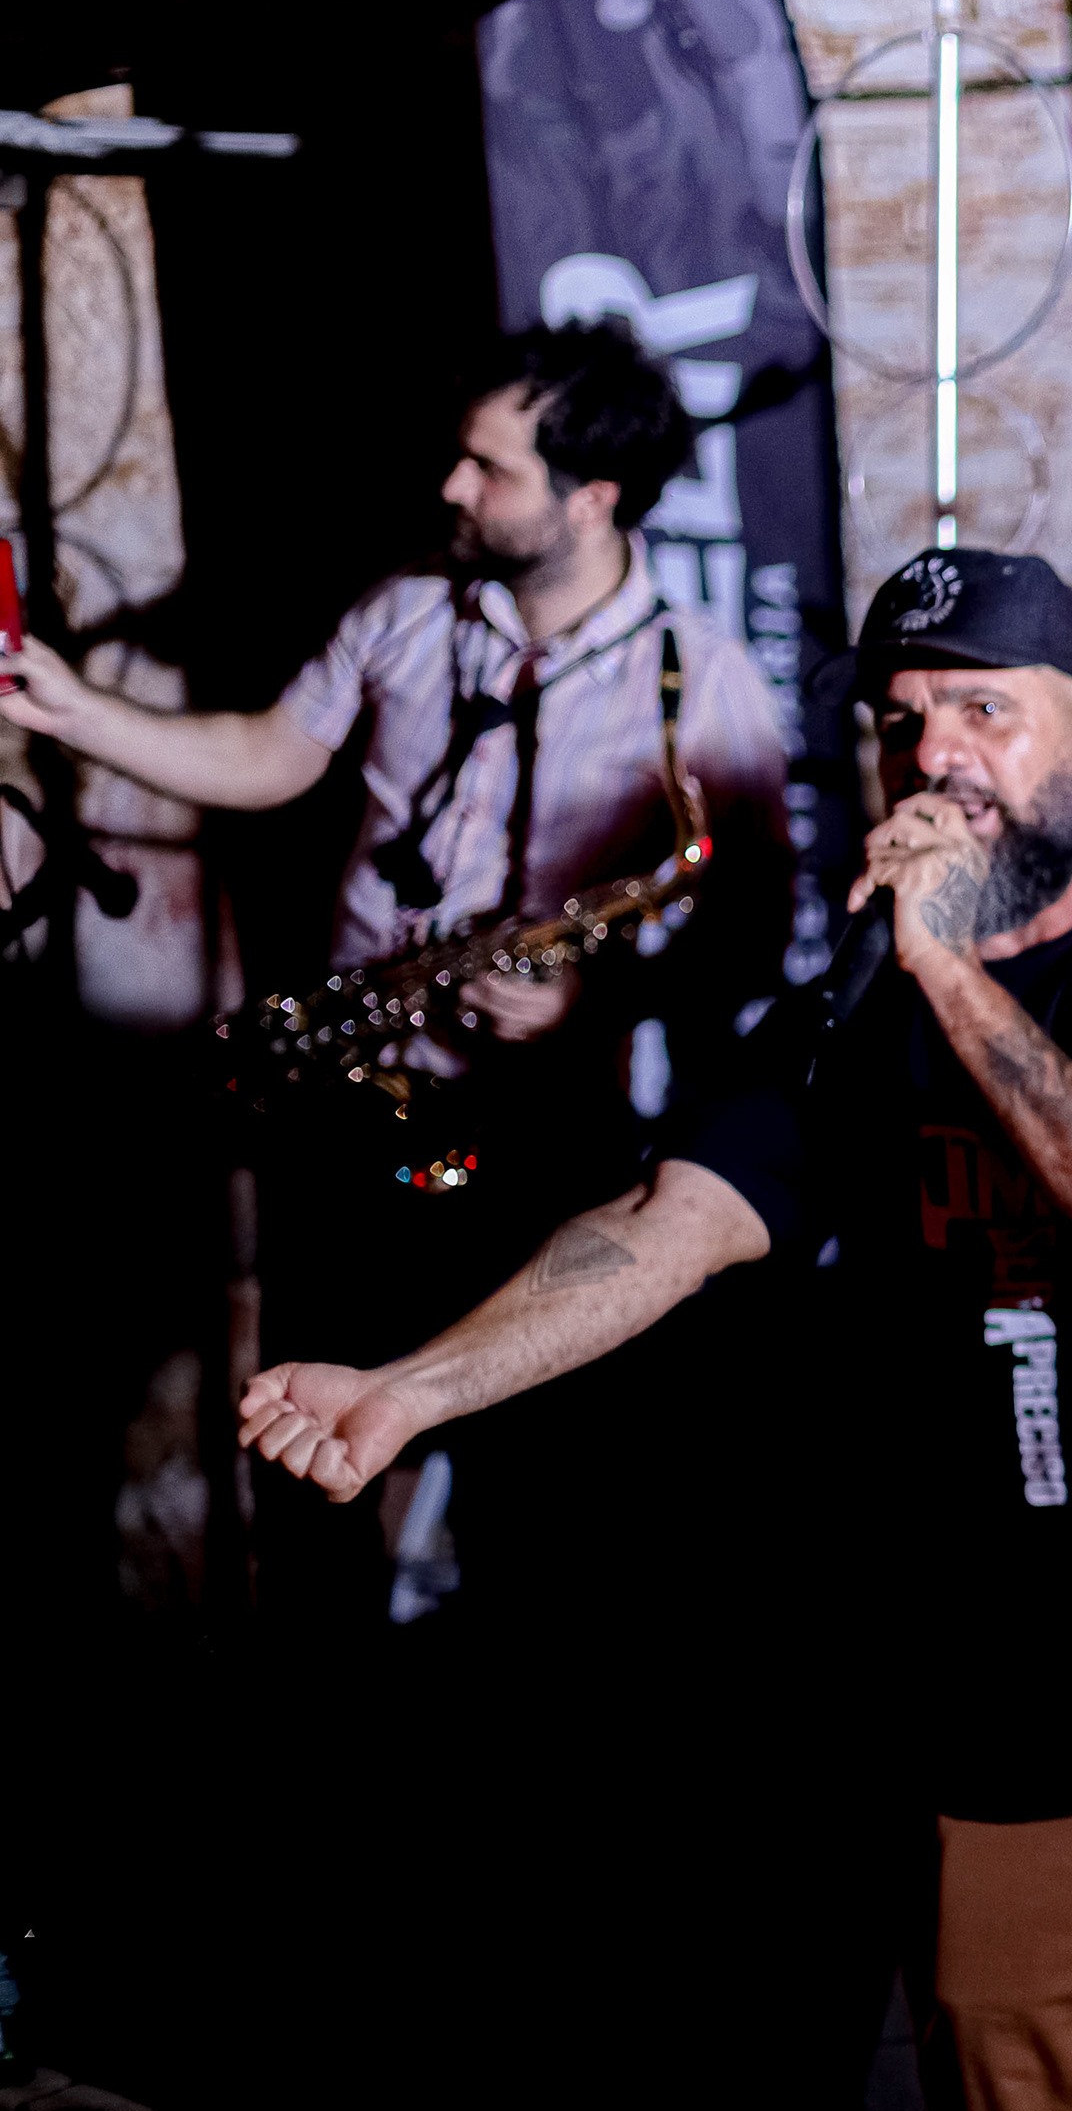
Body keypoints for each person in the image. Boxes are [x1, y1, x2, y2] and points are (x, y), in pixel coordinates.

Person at [235, 547, 1072, 2111]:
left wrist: (949, 969)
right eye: (898, 721)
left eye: (983, 712)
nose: (933, 757)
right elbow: (663, 1225)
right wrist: (415, 1389)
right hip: (1007, 1750)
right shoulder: (858, 1014)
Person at [0, 318, 789, 1618]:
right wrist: (77, 711)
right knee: (303, 1454)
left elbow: (753, 935)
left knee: (538, 1499)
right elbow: (273, 755)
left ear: (592, 498)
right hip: (353, 1114)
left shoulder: (701, 687)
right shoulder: (408, 606)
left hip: (538, 1149)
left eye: (490, 469)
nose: (451, 486)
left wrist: (593, 997)